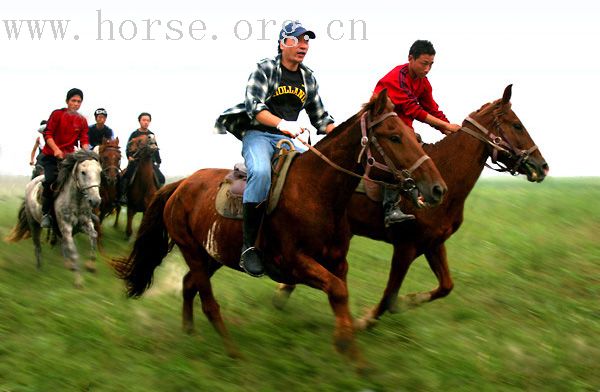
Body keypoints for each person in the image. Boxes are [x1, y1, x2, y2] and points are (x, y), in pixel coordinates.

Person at [215, 20, 335, 277]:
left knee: (318, 172)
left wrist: (347, 134)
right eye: (297, 40)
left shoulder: (308, 77)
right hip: (258, 134)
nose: (303, 46)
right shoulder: (266, 68)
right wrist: (283, 124)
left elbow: (321, 118)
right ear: (283, 44)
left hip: (287, 138)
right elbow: (254, 108)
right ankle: (249, 248)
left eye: (306, 41)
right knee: (260, 172)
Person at [373, 39, 462, 226]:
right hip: (382, 128)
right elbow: (416, 111)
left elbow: (432, 109)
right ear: (410, 59)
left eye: (431, 64)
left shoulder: (423, 83)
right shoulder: (397, 77)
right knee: (399, 158)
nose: (427, 69)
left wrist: (447, 128)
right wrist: (446, 127)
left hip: (403, 130)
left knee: (422, 157)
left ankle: (419, 194)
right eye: (424, 63)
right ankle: (390, 209)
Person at [39, 88, 90, 228]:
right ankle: (46, 213)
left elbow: (84, 140)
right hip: (51, 157)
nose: (76, 104)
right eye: (73, 101)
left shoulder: (82, 120)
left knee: (85, 179)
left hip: (69, 158)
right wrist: (56, 149)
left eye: (79, 101)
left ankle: (86, 212)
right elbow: (47, 134)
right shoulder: (57, 114)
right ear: (67, 101)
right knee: (50, 180)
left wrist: (88, 154)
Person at [118, 112, 164, 204]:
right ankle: (123, 196)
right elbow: (128, 147)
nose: (146, 122)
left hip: (149, 162)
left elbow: (155, 148)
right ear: (139, 121)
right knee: (125, 176)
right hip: (136, 162)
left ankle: (158, 197)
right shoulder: (134, 134)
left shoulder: (151, 134)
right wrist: (129, 157)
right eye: (144, 120)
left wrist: (158, 161)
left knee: (161, 178)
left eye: (148, 120)